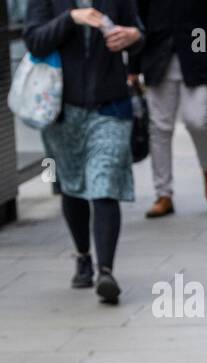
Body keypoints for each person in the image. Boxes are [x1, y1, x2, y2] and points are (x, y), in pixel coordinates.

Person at [24, 1, 145, 305]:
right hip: (61, 109)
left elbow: (140, 32)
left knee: (105, 184)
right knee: (72, 186)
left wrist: (134, 36)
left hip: (112, 105)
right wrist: (70, 18)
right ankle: (82, 256)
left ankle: (106, 270)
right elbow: (34, 41)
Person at [130, 0, 207, 218]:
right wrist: (133, 66)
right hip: (157, 54)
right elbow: (136, 17)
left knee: (197, 120)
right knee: (160, 127)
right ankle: (163, 193)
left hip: (197, 51)